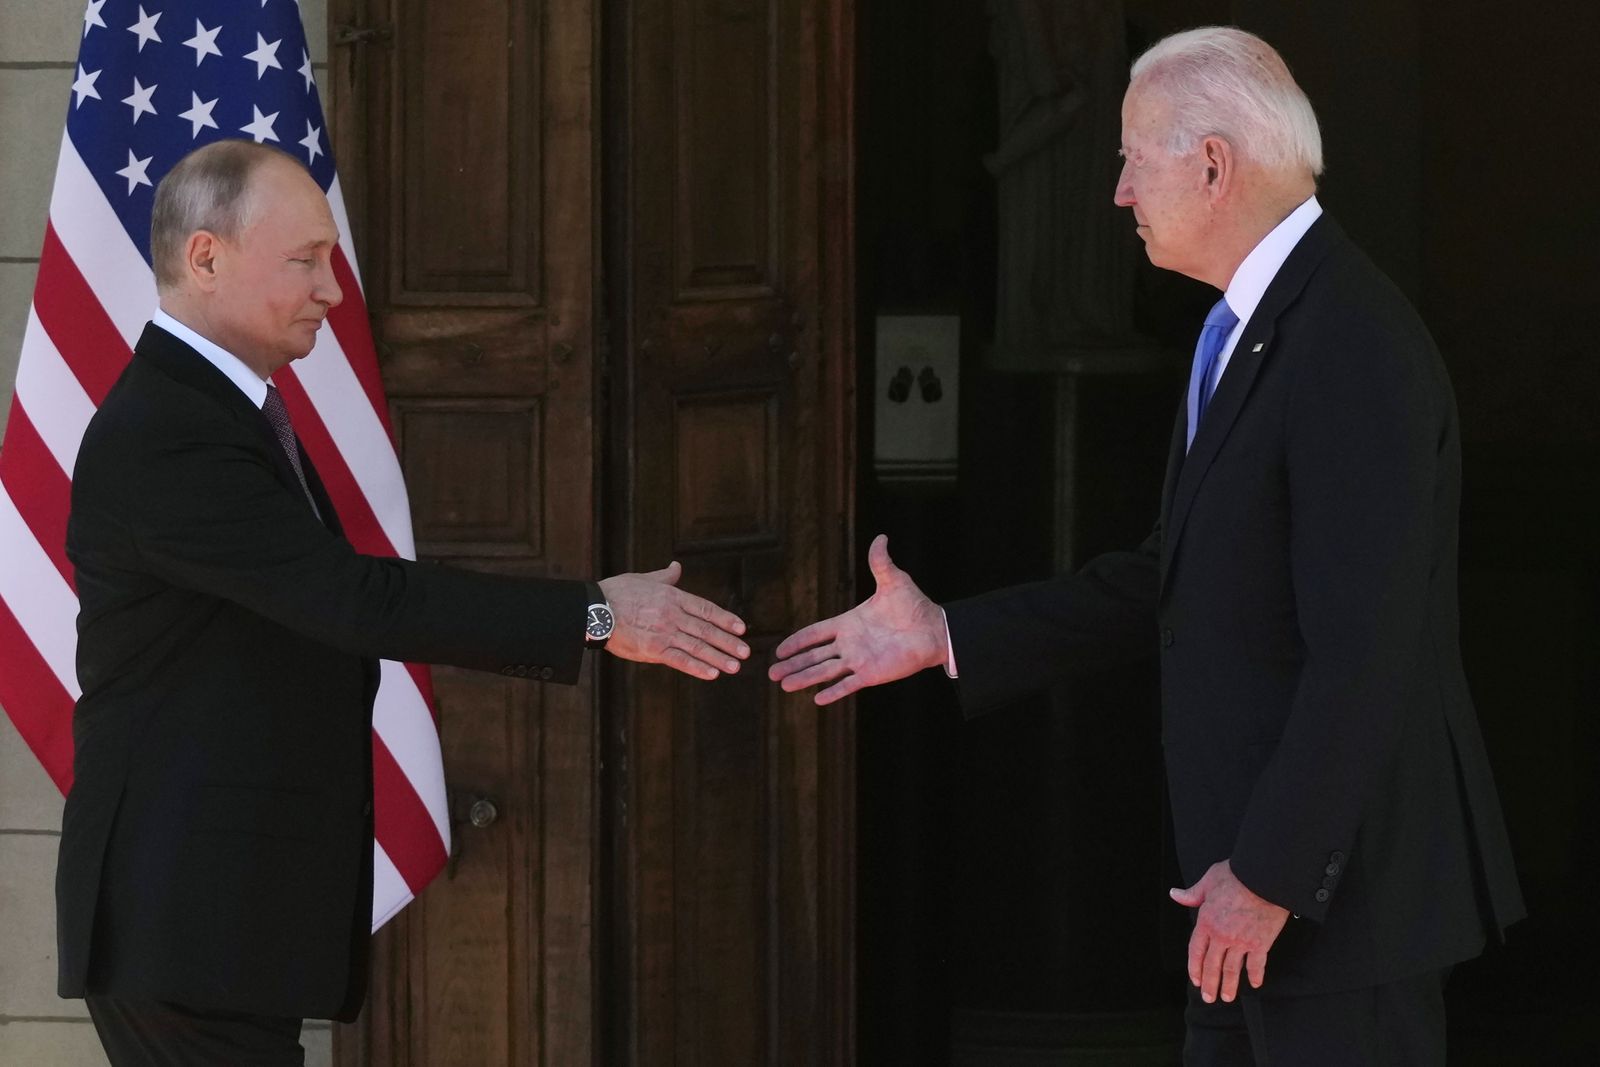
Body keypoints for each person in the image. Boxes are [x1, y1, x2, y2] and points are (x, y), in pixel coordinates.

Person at [771, 26, 1524, 1066]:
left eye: (1131, 158)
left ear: (1212, 164)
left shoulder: (1350, 344)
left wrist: (1266, 875)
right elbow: (1167, 576)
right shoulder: (1243, 327)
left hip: (1331, 907)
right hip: (1243, 896)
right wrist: (947, 633)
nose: (1118, 192)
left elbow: (1367, 652)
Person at [58, 139, 750, 1066]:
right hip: (180, 920)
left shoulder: (222, 409)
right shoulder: (168, 430)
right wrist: (595, 613)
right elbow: (351, 599)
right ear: (206, 258)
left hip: (219, 921)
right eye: (305, 260)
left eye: (330, 260)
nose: (332, 291)